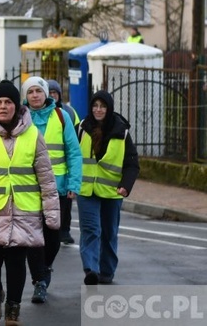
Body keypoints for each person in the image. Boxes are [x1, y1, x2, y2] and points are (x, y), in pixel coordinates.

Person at [0, 80, 60, 326]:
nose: (3, 107)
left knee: (17, 262)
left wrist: (51, 214)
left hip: (24, 211)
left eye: (8, 102)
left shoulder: (33, 135)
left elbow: (46, 178)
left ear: (16, 107)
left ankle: (13, 307)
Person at [20, 77, 82, 305]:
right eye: (30, 91)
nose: (35, 95)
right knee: (33, 238)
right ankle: (40, 282)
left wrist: (73, 184)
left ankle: (45, 268)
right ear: (25, 96)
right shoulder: (21, 119)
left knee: (53, 238)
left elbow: (74, 153)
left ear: (46, 94)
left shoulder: (61, 116)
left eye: (39, 91)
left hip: (59, 188)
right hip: (28, 188)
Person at [76, 90, 139, 285]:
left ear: (109, 108)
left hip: (112, 192)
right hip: (86, 190)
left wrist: (125, 186)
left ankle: (107, 271)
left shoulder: (122, 132)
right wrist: (71, 183)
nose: (98, 110)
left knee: (109, 232)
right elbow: (73, 157)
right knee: (90, 229)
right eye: (95, 106)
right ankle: (91, 270)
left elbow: (132, 164)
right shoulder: (81, 128)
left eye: (102, 106)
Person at [47, 79, 80, 245]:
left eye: (55, 93)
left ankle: (65, 231)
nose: (52, 95)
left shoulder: (68, 113)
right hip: (45, 172)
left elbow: (76, 139)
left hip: (63, 170)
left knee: (65, 206)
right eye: (50, 92)